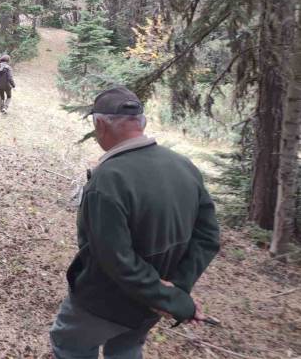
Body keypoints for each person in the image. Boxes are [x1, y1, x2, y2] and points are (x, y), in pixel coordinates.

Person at [50, 86, 220, 359]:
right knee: (127, 348)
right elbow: (208, 237)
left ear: (100, 125)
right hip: (150, 307)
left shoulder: (107, 180)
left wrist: (168, 297)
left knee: (69, 344)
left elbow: (116, 259)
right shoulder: (184, 166)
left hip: (103, 302)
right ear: (143, 122)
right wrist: (174, 290)